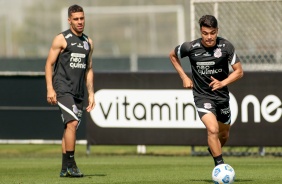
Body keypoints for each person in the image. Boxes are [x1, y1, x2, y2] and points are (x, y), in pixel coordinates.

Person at [169, 15, 243, 166]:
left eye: (213, 33)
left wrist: (223, 83)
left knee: (223, 134)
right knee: (213, 129)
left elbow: (239, 71)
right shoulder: (190, 47)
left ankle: (214, 150)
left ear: (217, 31)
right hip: (202, 96)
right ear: (200, 32)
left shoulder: (226, 46)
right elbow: (172, 55)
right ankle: (220, 167)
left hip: (222, 96)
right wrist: (184, 76)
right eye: (205, 33)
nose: (209, 37)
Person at [45, 4, 95, 177]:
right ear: (69, 20)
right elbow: (49, 64)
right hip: (62, 88)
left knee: (69, 128)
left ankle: (64, 168)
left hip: (78, 91)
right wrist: (50, 89)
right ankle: (72, 165)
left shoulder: (88, 42)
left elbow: (89, 69)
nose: (80, 22)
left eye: (82, 18)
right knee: (72, 123)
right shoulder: (62, 38)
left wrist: (91, 93)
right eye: (76, 19)